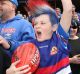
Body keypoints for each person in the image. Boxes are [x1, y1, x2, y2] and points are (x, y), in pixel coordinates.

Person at [6, 0, 72, 74]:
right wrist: (9, 72)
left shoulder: (59, 39)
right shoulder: (30, 46)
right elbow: (14, 46)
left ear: (54, 27)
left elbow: (68, 9)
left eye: (42, 23)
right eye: (36, 23)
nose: (37, 26)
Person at [0, 0, 35, 73]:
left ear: (13, 7)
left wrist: (9, 44)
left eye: (2, 3)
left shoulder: (24, 24)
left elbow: (32, 47)